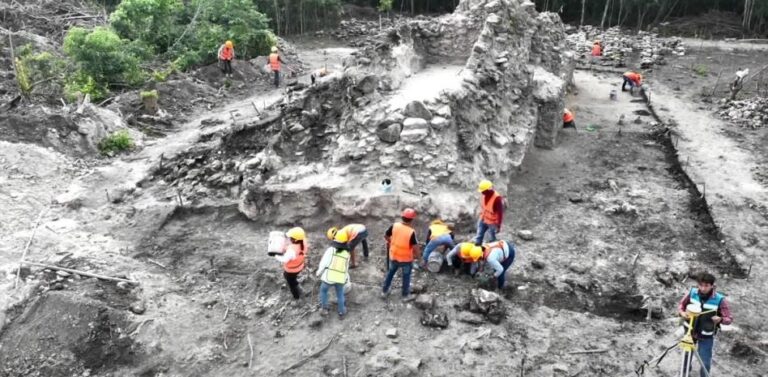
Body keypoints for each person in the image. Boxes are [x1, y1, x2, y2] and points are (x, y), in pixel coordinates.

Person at [677, 272, 733, 377]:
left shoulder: (720, 299)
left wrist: (720, 319)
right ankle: (684, 374)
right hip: (689, 331)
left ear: (712, 286)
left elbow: (729, 319)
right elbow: (681, 305)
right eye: (701, 285)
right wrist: (682, 313)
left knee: (705, 361)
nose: (703, 288)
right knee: (686, 357)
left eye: (706, 286)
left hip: (706, 335)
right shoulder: (692, 292)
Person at [382, 208, 420, 301]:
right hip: (406, 260)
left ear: (402, 217)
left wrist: (392, 243)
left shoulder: (394, 225)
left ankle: (384, 291)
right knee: (406, 276)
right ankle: (405, 295)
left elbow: (386, 236)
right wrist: (417, 257)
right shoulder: (411, 232)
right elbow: (415, 248)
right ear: (412, 220)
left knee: (390, 273)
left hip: (393, 256)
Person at [316, 235, 351, 319]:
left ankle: (325, 309)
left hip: (329, 277)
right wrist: (345, 278)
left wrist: (318, 272)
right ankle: (341, 312)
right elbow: (346, 267)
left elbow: (323, 263)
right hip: (340, 278)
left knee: (323, 291)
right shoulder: (347, 254)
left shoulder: (330, 250)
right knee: (340, 294)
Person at [273, 227, 307, 300]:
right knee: (290, 277)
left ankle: (296, 297)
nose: (289, 238)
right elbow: (293, 250)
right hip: (300, 265)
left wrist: (275, 255)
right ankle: (297, 285)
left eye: (290, 237)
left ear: (295, 239)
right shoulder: (303, 241)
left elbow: (284, 259)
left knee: (290, 282)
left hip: (292, 270)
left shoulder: (292, 251)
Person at [475, 180, 504, 245]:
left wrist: (498, 226)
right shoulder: (484, 195)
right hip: (483, 218)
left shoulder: (497, 199)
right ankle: (477, 248)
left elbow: (500, 213)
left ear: (488, 190)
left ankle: (492, 251)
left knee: (491, 239)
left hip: (492, 222)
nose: (482, 192)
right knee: (479, 235)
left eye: (483, 191)